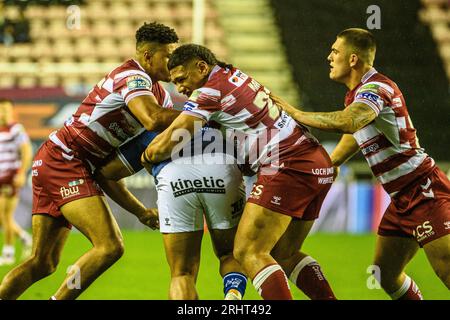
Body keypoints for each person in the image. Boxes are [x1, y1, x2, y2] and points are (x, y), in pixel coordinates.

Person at [0, 22, 180, 300]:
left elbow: (107, 174)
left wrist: (141, 212)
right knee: (110, 246)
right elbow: (154, 119)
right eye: (168, 56)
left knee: (42, 263)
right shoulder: (133, 77)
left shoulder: (161, 96)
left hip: (60, 160)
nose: (174, 63)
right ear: (148, 56)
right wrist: (201, 114)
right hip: (65, 159)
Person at [142, 44, 337, 300]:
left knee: (247, 251)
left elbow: (170, 141)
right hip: (316, 162)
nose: (179, 88)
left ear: (201, 67)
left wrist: (147, 156)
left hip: (288, 164)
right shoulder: (232, 74)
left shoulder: (209, 92)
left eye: (181, 79)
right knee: (283, 254)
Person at [272, 28, 450, 299]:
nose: (329, 57)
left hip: (424, 191)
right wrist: (330, 163)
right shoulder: (358, 94)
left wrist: (295, 113)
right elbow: (357, 133)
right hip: (401, 198)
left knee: (446, 271)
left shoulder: (375, 89)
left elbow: (351, 121)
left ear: (353, 59)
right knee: (385, 273)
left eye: (335, 51)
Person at [97, 123, 248, 300]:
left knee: (182, 273)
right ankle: (233, 296)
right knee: (230, 254)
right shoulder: (224, 123)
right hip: (220, 169)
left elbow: (107, 172)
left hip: (174, 177)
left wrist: (141, 212)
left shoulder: (161, 126)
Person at [0, 99, 33, 266]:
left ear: (11, 111)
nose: (2, 113)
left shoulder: (16, 129)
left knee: (5, 215)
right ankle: (24, 237)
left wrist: (21, 173)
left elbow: (26, 150)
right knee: (3, 217)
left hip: (11, 176)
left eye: (5, 110)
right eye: (0, 110)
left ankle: (8, 253)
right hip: (0, 177)